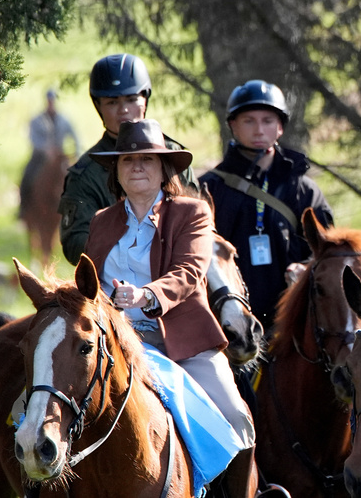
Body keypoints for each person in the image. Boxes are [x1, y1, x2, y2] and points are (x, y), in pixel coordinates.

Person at [84, 119, 254, 495]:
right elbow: (88, 284)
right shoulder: (100, 222)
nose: (137, 167)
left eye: (147, 159)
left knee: (236, 418)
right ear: (116, 171)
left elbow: (189, 272)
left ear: (164, 169)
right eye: (128, 160)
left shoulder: (193, 212)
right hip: (112, 343)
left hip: (184, 343)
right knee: (42, 409)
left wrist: (146, 296)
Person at [200, 79, 333, 330]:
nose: (259, 130)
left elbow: (328, 252)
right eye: (249, 121)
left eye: (268, 121)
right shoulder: (209, 188)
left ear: (280, 127)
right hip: (228, 322)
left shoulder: (304, 189)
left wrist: (306, 268)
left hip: (294, 323)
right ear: (233, 125)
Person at [58, 53, 198, 266]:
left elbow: (200, 220)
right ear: (99, 106)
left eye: (131, 99)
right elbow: (75, 243)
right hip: (114, 277)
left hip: (177, 268)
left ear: (145, 100)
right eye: (112, 102)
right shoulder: (85, 174)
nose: (123, 110)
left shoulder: (173, 156)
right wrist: (128, 254)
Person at [19, 89, 79, 219]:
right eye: (49, 100)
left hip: (59, 156)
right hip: (40, 157)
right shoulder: (37, 120)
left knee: (73, 178)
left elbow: (75, 137)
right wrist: (46, 149)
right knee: (27, 175)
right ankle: (23, 208)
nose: (51, 103)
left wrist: (75, 152)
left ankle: (75, 210)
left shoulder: (64, 120)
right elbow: (33, 139)